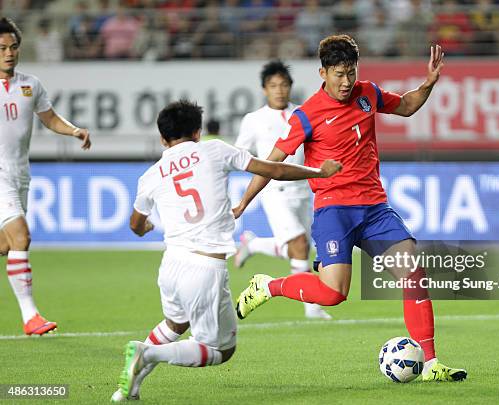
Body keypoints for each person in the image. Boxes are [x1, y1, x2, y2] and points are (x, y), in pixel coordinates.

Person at [232, 34, 467, 382]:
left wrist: (428, 84)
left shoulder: (367, 93)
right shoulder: (306, 115)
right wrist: (242, 203)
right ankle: (269, 286)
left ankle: (431, 364)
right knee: (332, 294)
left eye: (351, 72)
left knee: (414, 275)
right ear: (323, 73)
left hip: (374, 208)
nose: (346, 82)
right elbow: (272, 164)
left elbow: (405, 105)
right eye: (339, 74)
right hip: (333, 210)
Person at [111, 99, 341, 401]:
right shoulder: (215, 149)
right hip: (204, 268)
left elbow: (136, 224)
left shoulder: (150, 175)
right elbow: (273, 169)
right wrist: (319, 172)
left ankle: (126, 390)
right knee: (222, 350)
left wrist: (146, 229)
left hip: (170, 266)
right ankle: (149, 354)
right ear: (197, 132)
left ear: (163, 139)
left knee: (175, 324)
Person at [0, 17, 91, 336]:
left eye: (13, 47)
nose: (8, 53)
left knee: (6, 246)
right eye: (1, 48)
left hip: (20, 174)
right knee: (21, 236)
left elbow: (50, 118)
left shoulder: (31, 85)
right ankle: (31, 316)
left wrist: (74, 130)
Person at [234, 60, 331, 320]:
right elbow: (240, 154)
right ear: (264, 89)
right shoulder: (253, 120)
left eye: (284, 85)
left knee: (299, 247)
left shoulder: (303, 113)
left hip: (303, 189)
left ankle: (252, 245)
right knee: (299, 244)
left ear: (290, 87)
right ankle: (312, 307)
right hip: (274, 190)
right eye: (273, 86)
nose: (279, 90)